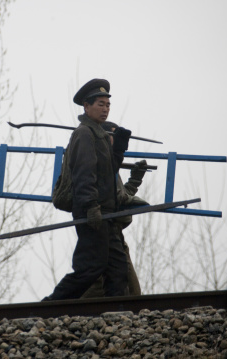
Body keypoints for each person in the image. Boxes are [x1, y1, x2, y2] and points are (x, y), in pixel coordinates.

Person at [43, 79, 132, 301]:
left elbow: (108, 172)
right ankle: (48, 307)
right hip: (93, 212)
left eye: (107, 105)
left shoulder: (99, 135)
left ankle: (115, 314)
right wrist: (91, 207)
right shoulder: (84, 133)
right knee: (89, 269)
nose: (105, 109)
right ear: (87, 106)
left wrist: (119, 148)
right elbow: (84, 174)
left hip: (107, 214)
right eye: (100, 104)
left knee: (118, 270)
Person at [81, 121, 148, 298]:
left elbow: (118, 197)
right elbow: (112, 198)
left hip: (115, 232)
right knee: (96, 288)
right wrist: (130, 199)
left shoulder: (111, 165)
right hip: (102, 231)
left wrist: (134, 181)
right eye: (112, 138)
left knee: (130, 291)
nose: (115, 142)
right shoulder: (96, 163)